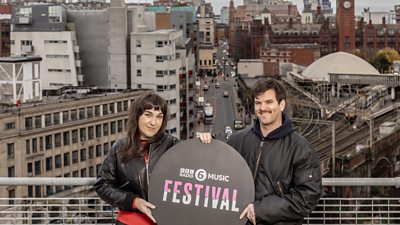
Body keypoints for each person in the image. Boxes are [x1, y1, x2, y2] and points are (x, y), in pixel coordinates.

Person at [200, 78, 322, 225]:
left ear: (281, 105)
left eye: (269, 102)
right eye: (258, 103)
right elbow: (217, 172)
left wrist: (260, 210)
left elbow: (307, 196)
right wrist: (207, 145)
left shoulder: (300, 148)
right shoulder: (238, 140)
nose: (263, 107)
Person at [95, 93, 208, 225]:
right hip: (129, 221)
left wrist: (205, 145)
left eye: (159, 117)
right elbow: (102, 185)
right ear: (137, 116)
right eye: (148, 115)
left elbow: (200, 174)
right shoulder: (119, 148)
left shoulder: (172, 144)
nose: (154, 122)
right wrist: (134, 202)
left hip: (166, 220)